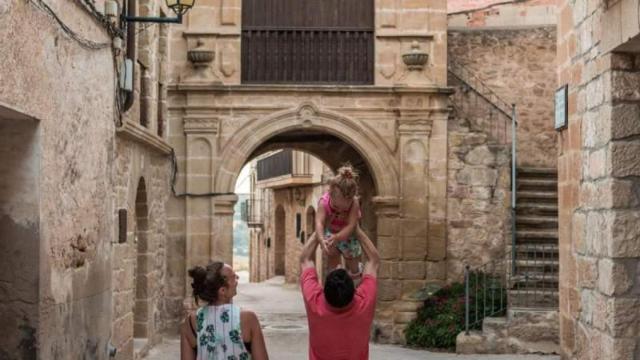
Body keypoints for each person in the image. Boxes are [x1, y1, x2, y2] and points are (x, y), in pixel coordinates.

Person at [299, 227, 380, 360]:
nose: (339, 265)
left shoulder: (315, 301)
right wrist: (355, 229)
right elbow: (373, 261)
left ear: (324, 291)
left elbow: (305, 260)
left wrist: (321, 227)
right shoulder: (364, 303)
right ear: (355, 290)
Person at [180, 262, 269, 360]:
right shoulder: (248, 318)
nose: (237, 279)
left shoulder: (190, 322)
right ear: (222, 290)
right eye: (234, 277)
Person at [315, 164, 363, 279]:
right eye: (336, 207)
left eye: (344, 208)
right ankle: (335, 280)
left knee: (354, 267)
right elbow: (319, 222)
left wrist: (339, 237)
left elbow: (351, 225)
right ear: (330, 194)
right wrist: (321, 239)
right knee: (332, 256)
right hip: (331, 232)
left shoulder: (354, 202)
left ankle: (354, 278)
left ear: (351, 199)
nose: (340, 211)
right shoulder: (324, 202)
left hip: (348, 235)